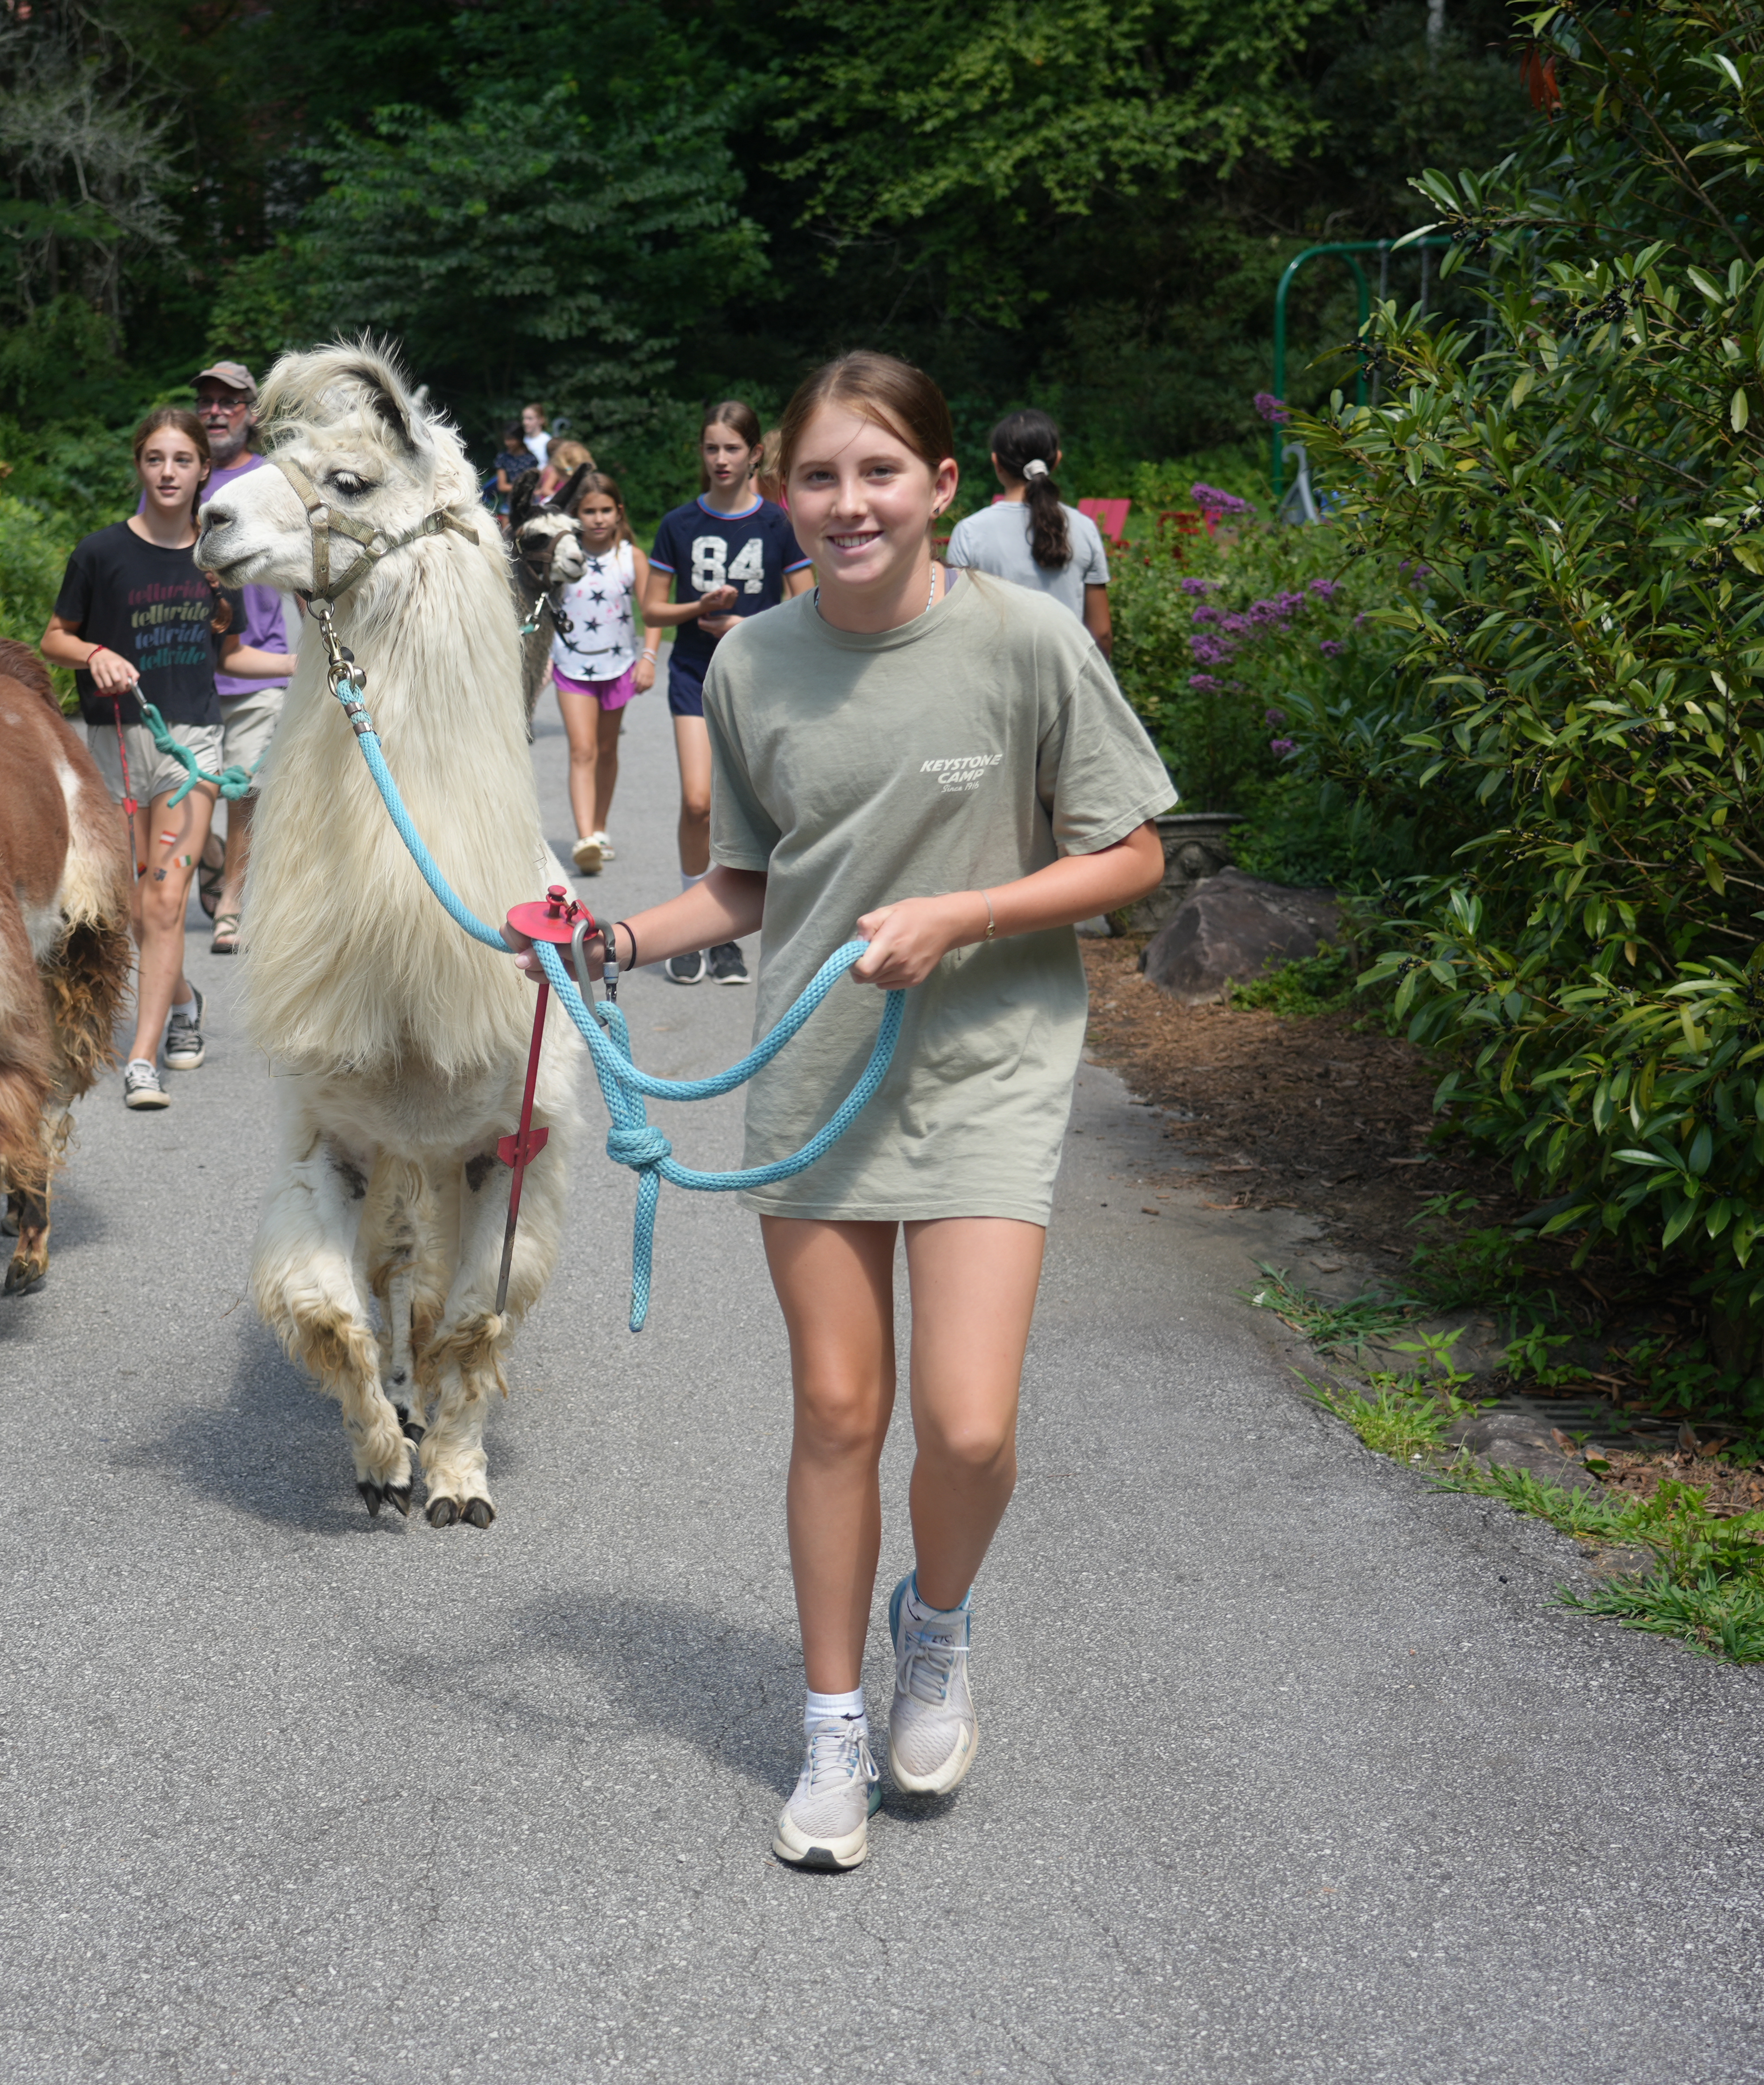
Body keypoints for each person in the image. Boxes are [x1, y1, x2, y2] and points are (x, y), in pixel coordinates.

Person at [553, 353, 1170, 1873]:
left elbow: (1132, 854)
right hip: (817, 1076)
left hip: (987, 1067)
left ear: (939, 487)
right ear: (783, 492)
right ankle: (830, 1718)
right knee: (837, 1410)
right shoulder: (754, 663)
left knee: (963, 1425)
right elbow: (749, 886)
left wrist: (959, 915)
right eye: (817, 477)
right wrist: (613, 941)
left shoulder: (1024, 647)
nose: (846, 504)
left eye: (877, 473)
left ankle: (933, 1629)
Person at [40, 407, 270, 1110]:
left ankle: (141, 1061)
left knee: (166, 898)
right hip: (112, 749)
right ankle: (185, 999)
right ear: (140, 466)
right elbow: (54, 639)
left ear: (205, 470)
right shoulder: (101, 554)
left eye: (183, 461)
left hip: (191, 747)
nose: (169, 473)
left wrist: (312, 664)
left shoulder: (217, 560)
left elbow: (232, 655)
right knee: (132, 906)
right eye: (156, 459)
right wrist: (96, 653)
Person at [641, 401, 814, 986]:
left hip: (763, 679)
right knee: (698, 801)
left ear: (754, 455)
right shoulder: (678, 524)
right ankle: (694, 925)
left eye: (732, 449)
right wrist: (699, 608)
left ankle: (728, 936)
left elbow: (810, 603)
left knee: (757, 809)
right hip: (694, 672)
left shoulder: (780, 526)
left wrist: (749, 627)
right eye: (711, 447)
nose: (720, 459)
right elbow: (653, 607)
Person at [190, 359, 291, 957]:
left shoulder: (271, 480)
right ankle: (214, 862)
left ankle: (232, 902)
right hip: (189, 669)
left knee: (245, 790)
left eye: (229, 402)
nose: (217, 411)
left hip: (259, 662)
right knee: (190, 790)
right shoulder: (180, 473)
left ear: (250, 413)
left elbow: (305, 571)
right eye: (207, 401)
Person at [946, 409, 1113, 656]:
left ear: (997, 463)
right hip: (1069, 682)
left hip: (1000, 687)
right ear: (1056, 460)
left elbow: (953, 624)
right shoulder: (1085, 527)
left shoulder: (970, 532)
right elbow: (1102, 633)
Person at [549, 470, 648, 875]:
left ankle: (601, 829)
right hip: (572, 665)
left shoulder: (631, 557)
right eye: (589, 511)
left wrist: (650, 657)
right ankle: (585, 836)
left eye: (606, 510)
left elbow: (653, 612)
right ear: (577, 514)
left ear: (619, 512)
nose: (598, 519)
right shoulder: (564, 554)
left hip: (619, 665)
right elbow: (545, 607)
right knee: (582, 750)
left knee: (607, 751)